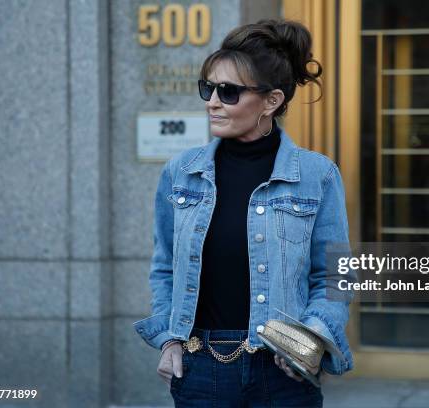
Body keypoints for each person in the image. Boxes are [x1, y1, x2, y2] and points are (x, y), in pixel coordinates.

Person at [133, 18, 354, 407]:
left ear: (271, 101)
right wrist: (169, 339)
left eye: (229, 91)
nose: (212, 101)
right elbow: (165, 267)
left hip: (283, 372)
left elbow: (334, 275)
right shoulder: (181, 173)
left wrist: (312, 340)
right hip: (199, 370)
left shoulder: (316, 175)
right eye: (209, 88)